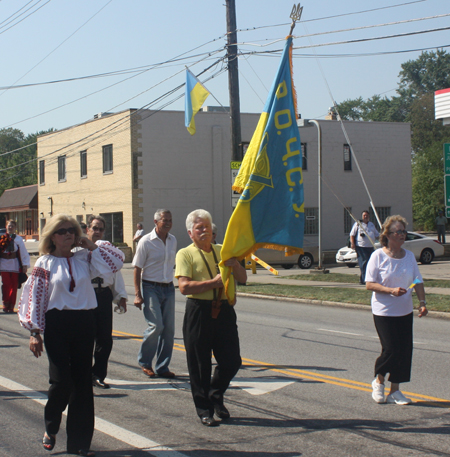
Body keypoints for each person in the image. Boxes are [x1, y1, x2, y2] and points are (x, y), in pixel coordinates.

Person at [17, 214, 124, 456]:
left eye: (72, 231)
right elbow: (35, 298)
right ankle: (51, 425)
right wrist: (35, 332)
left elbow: (115, 264)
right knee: (61, 381)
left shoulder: (85, 258)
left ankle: (79, 443)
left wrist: (92, 246)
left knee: (82, 384)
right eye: (62, 231)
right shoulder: (44, 263)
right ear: (52, 237)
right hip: (57, 324)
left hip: (85, 322)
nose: (68, 234)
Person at [175, 209, 247, 426]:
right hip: (199, 311)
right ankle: (204, 409)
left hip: (224, 310)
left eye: (207, 226)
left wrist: (234, 264)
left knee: (232, 360)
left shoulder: (223, 251)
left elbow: (242, 278)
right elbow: (184, 287)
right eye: (199, 228)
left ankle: (215, 394)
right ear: (190, 233)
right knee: (199, 364)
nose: (205, 230)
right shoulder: (185, 254)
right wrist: (213, 283)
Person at [366, 215, 428, 405]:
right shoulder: (378, 256)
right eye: (398, 232)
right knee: (391, 349)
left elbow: (417, 281)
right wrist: (390, 290)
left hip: (405, 311)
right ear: (388, 235)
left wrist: (422, 302)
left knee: (404, 350)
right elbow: (369, 284)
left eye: (403, 231)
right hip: (384, 311)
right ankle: (378, 381)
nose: (402, 235)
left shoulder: (408, 256)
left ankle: (395, 391)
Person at [133, 209, 177, 378]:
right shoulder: (146, 241)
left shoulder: (173, 240)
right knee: (156, 326)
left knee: (169, 330)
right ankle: (145, 362)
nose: (168, 223)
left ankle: (163, 367)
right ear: (155, 221)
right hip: (151, 287)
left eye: (170, 220)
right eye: (164, 220)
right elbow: (137, 268)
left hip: (168, 288)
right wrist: (138, 294)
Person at [87, 215, 128, 390]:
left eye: (101, 229)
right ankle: (83, 374)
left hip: (103, 294)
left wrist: (121, 297)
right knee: (85, 338)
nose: (97, 232)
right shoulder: (78, 251)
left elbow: (116, 274)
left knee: (105, 339)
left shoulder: (107, 251)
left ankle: (98, 374)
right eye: (94, 228)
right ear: (88, 229)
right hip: (85, 295)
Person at [0, 220, 30, 313]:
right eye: (9, 226)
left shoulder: (18, 239)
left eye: (12, 226)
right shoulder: (1, 238)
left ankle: (11, 306)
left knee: (14, 286)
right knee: (6, 285)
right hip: (4, 264)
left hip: (15, 265)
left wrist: (25, 264)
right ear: (6, 226)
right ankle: (6, 304)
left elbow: (23, 253)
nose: (10, 227)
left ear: (15, 227)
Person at [350, 210, 379, 285]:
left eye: (367, 215)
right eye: (364, 215)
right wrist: (352, 243)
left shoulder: (371, 224)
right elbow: (352, 235)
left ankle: (367, 278)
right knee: (363, 262)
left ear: (369, 216)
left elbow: (377, 235)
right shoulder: (358, 224)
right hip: (361, 247)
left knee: (370, 263)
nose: (365, 217)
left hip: (370, 247)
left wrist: (383, 240)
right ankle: (363, 279)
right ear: (362, 216)